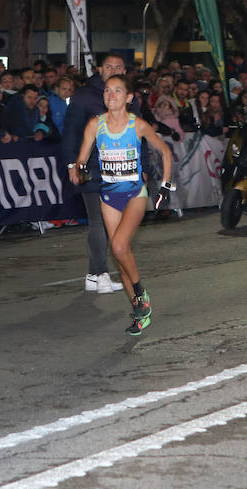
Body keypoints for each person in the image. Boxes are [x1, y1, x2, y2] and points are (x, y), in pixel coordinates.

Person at [69, 75, 174, 334]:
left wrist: (165, 186)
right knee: (121, 255)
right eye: (107, 90)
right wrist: (78, 170)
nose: (111, 95)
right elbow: (82, 159)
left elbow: (165, 151)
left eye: (117, 91)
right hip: (108, 196)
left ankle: (140, 293)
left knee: (117, 245)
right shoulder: (95, 125)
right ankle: (140, 313)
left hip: (135, 194)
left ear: (128, 98)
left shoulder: (137, 125)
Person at [62, 53, 130, 295]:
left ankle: (93, 275)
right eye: (109, 66)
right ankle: (101, 274)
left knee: (115, 221)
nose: (114, 70)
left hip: (120, 168)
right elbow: (70, 132)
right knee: (99, 221)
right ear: (99, 69)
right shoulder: (84, 96)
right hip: (91, 167)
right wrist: (72, 165)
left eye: (118, 67)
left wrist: (143, 167)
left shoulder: (127, 95)